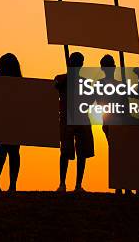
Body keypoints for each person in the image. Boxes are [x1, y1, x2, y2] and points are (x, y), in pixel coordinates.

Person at [98, 55, 139, 195]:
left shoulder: (119, 84)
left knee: (125, 154)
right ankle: (121, 185)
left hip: (122, 122)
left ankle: (127, 185)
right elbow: (100, 102)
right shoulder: (103, 84)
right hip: (111, 122)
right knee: (118, 154)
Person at [55, 52, 94, 192]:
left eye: (79, 62)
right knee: (65, 150)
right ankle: (62, 183)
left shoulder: (85, 82)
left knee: (82, 152)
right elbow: (54, 88)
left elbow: (91, 100)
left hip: (81, 117)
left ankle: (78, 184)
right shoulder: (61, 79)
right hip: (66, 117)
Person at [0, 53, 23, 192]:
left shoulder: (22, 84)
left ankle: (11, 184)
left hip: (14, 120)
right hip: (3, 119)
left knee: (11, 151)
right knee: (4, 150)